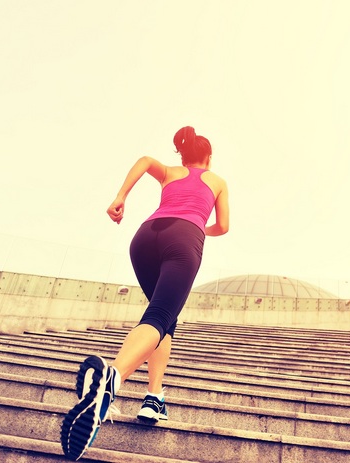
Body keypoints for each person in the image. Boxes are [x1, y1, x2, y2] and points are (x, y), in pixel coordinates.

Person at [60, 126, 229, 461]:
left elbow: (144, 160)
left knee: (164, 319)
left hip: (145, 237)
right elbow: (223, 226)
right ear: (209, 156)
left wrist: (120, 198)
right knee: (159, 316)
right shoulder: (217, 181)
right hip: (184, 237)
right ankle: (112, 379)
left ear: (182, 154)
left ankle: (154, 397)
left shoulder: (170, 172)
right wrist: (199, 227)